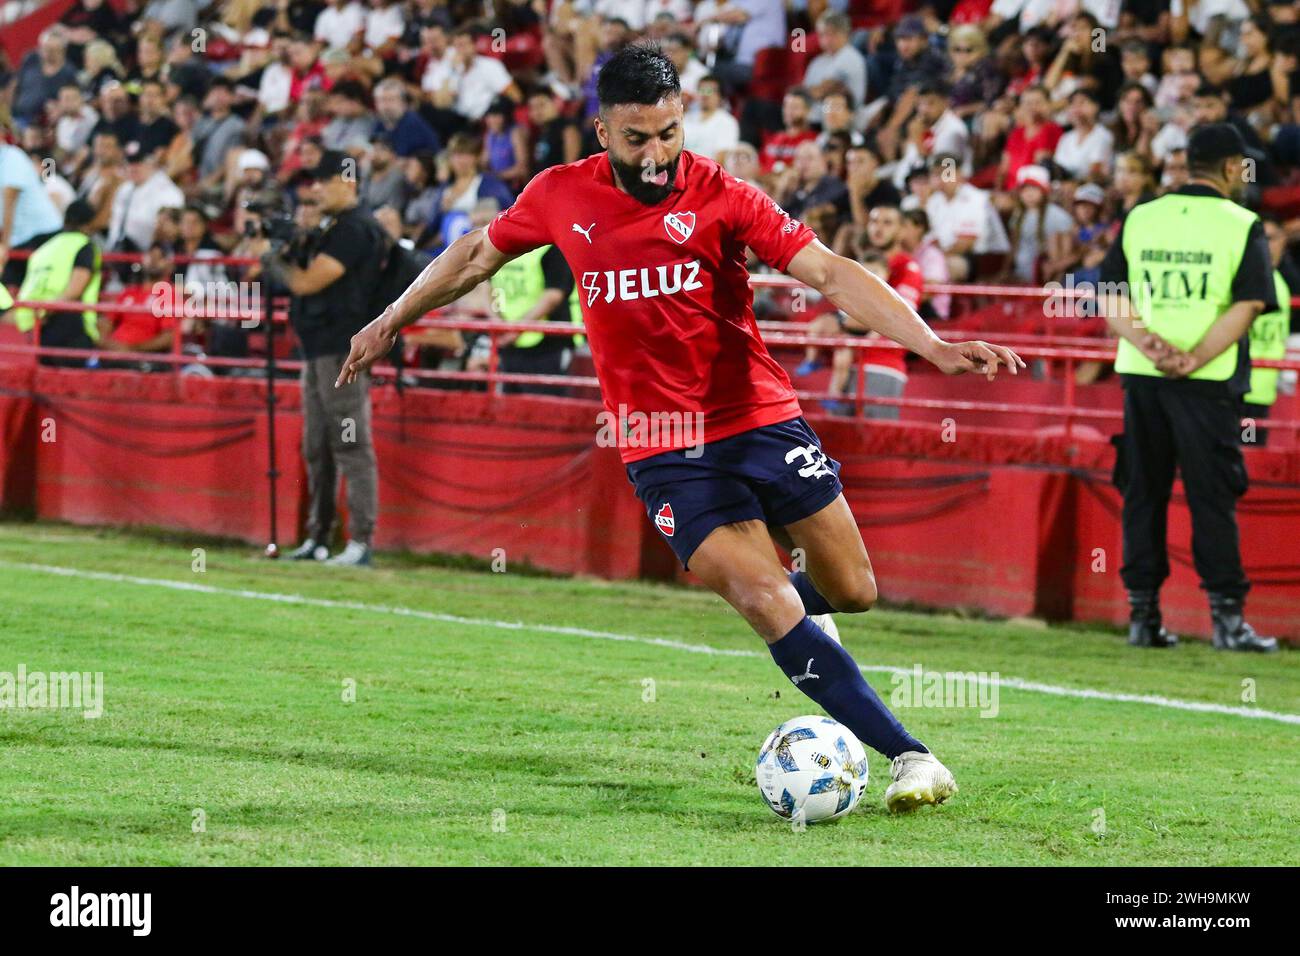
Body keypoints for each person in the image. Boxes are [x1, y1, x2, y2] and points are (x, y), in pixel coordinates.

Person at [337, 44, 1025, 811]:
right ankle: (911, 756)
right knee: (766, 601)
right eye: (638, 138)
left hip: (760, 419)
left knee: (855, 592)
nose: (658, 155)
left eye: (670, 133)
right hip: (662, 445)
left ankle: (809, 627)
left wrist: (929, 344)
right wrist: (390, 318)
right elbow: (472, 257)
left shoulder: (726, 195)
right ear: (602, 131)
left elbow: (829, 273)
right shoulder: (560, 194)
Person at [1098, 123, 1279, 653]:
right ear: (1228, 168)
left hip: (1142, 379)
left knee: (1143, 493)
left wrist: (1151, 345)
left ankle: (1143, 619)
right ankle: (1227, 621)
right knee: (1211, 498)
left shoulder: (1142, 216)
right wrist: (1192, 357)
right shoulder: (1242, 223)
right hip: (1207, 384)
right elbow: (1248, 304)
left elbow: (1109, 293)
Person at [261, 151, 385, 568]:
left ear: (347, 182)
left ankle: (360, 542)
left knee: (351, 445)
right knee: (317, 447)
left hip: (344, 352)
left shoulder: (354, 229)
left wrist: (274, 259)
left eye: (323, 180)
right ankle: (319, 538)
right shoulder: (335, 228)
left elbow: (308, 282)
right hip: (319, 350)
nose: (315, 188)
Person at [10, 200, 103, 367]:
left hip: (35, 326)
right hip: (67, 324)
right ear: (90, 223)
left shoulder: (44, 249)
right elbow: (74, 290)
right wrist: (47, 310)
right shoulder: (83, 246)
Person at [1239, 216, 1294, 447]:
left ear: (1284, 241)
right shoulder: (1244, 279)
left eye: (1271, 238)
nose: (1266, 245)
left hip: (1261, 392)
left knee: (1249, 455)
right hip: (1236, 389)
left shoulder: (1280, 282)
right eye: (1261, 239)